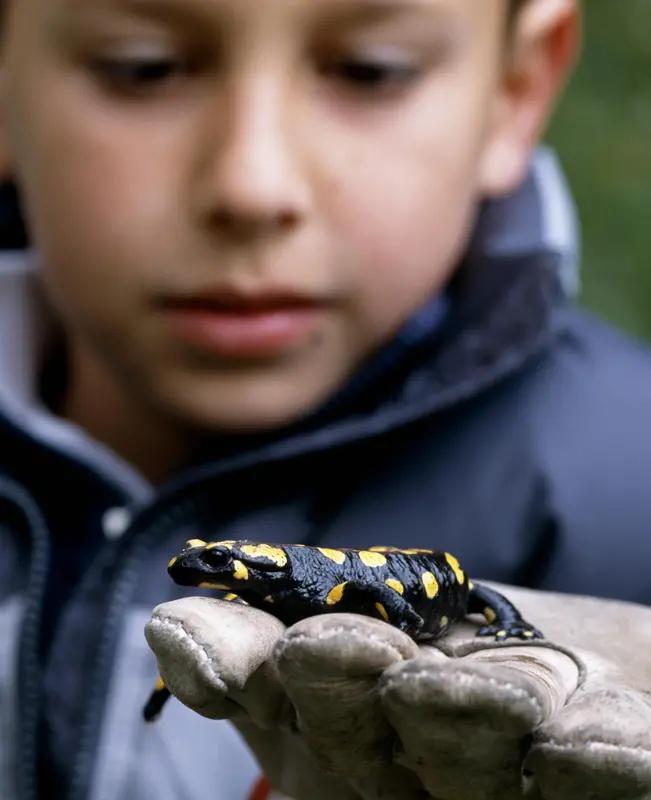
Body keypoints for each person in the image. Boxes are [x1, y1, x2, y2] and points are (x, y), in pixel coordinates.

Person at [0, 0, 649, 798]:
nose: (251, 186)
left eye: (371, 69)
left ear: (513, 88)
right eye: (143, 65)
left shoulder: (627, 489)